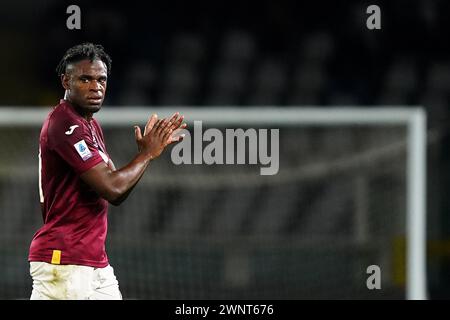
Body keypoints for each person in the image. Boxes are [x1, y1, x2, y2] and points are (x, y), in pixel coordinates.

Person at [28, 42, 186, 300]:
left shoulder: (89, 124)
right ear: (66, 81)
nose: (96, 87)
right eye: (85, 79)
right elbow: (112, 188)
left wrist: (144, 156)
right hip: (65, 261)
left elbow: (117, 190)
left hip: (92, 261)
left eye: (101, 79)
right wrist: (146, 154)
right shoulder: (66, 125)